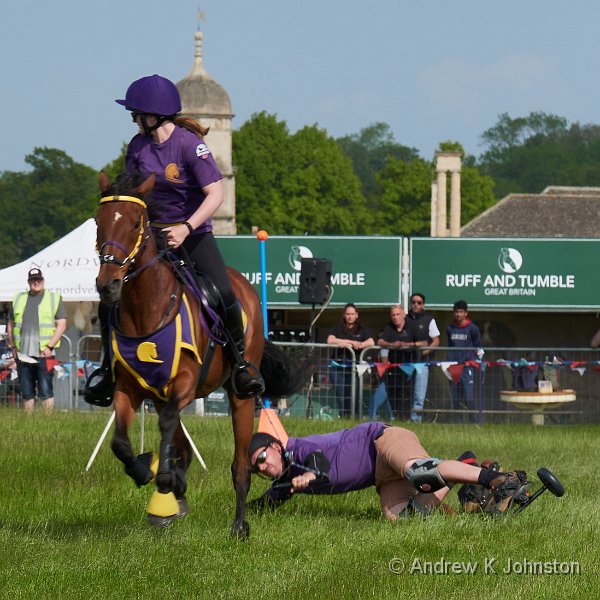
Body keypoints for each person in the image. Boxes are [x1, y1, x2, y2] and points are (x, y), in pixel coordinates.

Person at [85, 74, 264, 405]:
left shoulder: (188, 145)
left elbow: (216, 193)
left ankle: (241, 365)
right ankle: (108, 372)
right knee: (112, 296)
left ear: (153, 115)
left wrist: (186, 226)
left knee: (224, 292)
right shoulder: (137, 146)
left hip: (193, 235)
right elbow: (133, 192)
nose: (133, 119)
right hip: (151, 236)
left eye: (135, 113)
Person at [246, 424, 529, 520]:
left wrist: (307, 477)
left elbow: (319, 463)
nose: (263, 466)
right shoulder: (284, 481)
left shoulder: (297, 449)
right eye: (256, 467)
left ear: (274, 446)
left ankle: (497, 480)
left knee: (419, 472)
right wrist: (237, 512)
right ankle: (466, 464)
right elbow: (265, 506)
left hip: (383, 439)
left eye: (262, 456)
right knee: (403, 518)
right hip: (382, 477)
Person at [6, 268, 67, 414]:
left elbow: (62, 324)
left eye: (38, 279)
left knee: (46, 390)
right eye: (33, 280)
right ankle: (29, 422)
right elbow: (10, 325)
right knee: (26, 391)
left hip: (44, 353)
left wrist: (50, 347)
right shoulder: (18, 298)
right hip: (22, 353)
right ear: (28, 282)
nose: (36, 282)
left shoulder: (54, 298)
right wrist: (13, 347)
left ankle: (48, 422)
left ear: (43, 281)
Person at [368, 305, 416, 421]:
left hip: (402, 372)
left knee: (398, 397)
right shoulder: (388, 334)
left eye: (398, 314)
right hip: (389, 375)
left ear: (403, 314)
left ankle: (397, 418)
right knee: (386, 398)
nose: (395, 317)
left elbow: (384, 361)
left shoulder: (411, 327)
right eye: (393, 315)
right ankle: (377, 418)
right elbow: (383, 354)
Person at [326, 303, 374, 416]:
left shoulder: (362, 329)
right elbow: (330, 340)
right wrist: (351, 342)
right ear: (344, 315)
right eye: (347, 314)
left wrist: (361, 344)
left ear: (357, 315)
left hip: (354, 368)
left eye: (352, 314)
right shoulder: (337, 327)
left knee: (354, 395)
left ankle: (355, 418)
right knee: (341, 396)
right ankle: (343, 418)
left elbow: (371, 342)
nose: (350, 316)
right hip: (337, 367)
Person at [406, 293, 440, 422]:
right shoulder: (405, 318)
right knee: (405, 392)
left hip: (422, 363)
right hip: (406, 362)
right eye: (413, 302)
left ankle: (416, 420)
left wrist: (425, 351)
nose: (415, 304)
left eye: (419, 302)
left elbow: (436, 341)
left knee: (419, 395)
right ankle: (402, 418)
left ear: (423, 305)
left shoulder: (429, 320)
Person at [447, 300, 483, 420]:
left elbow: (478, 347)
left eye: (461, 312)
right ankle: (457, 421)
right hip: (453, 367)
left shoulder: (473, 329)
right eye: (456, 312)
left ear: (466, 313)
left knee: (468, 397)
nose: (458, 314)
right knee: (456, 397)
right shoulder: (450, 328)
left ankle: (474, 421)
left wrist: (478, 361)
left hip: (467, 367)